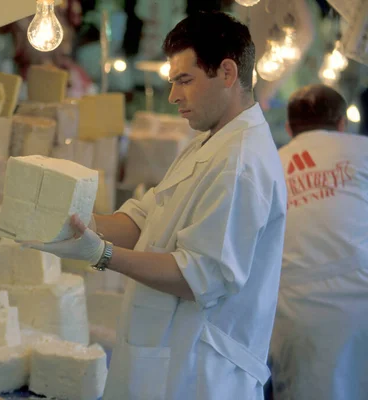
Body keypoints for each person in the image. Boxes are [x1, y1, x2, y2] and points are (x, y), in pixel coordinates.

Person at [22, 11, 287, 400]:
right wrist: (74, 220)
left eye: (184, 80)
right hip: (169, 355)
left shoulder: (242, 163)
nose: (174, 95)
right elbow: (147, 218)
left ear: (227, 73)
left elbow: (196, 276)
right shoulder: (210, 140)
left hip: (200, 373)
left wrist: (102, 254)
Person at [269, 84, 368, 400]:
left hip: (294, 313)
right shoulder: (362, 149)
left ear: (288, 128)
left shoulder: (269, 166)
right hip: (361, 292)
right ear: (342, 124)